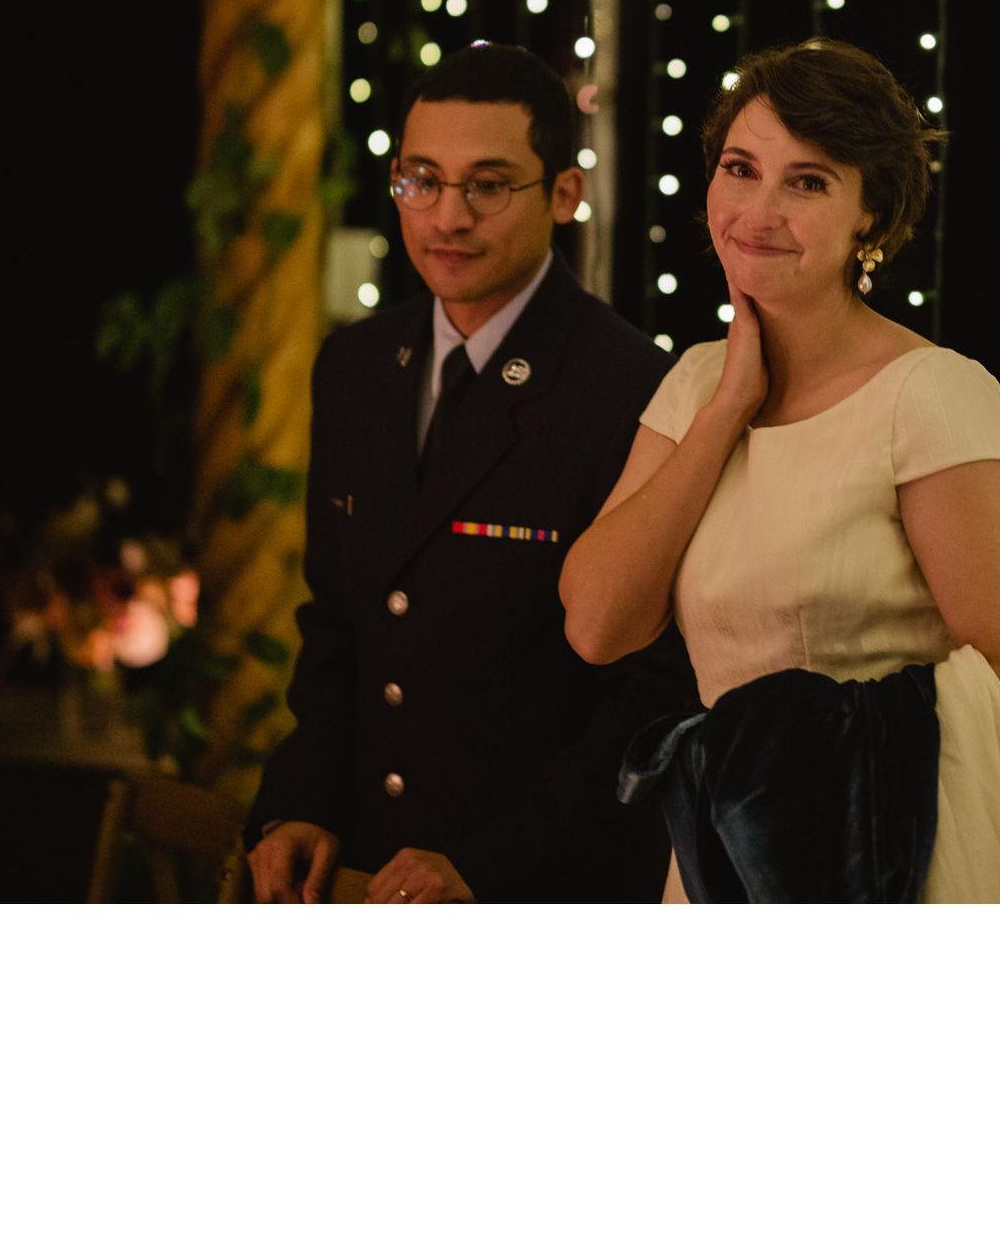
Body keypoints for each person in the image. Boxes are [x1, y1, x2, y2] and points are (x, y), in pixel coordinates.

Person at [560, 38, 1000, 902]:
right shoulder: (697, 382)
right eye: (740, 169)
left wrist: (785, 757)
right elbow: (596, 626)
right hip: (730, 861)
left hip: (904, 851)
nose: (758, 211)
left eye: (807, 183)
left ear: (871, 219)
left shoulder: (930, 394)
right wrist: (728, 408)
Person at [246, 44, 695, 902]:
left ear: (564, 194)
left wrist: (490, 865)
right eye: (421, 180)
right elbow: (338, 623)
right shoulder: (355, 366)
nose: (446, 217)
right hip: (365, 870)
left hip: (539, 888)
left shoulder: (632, 389)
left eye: (488, 185)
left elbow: (652, 693)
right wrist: (302, 801)